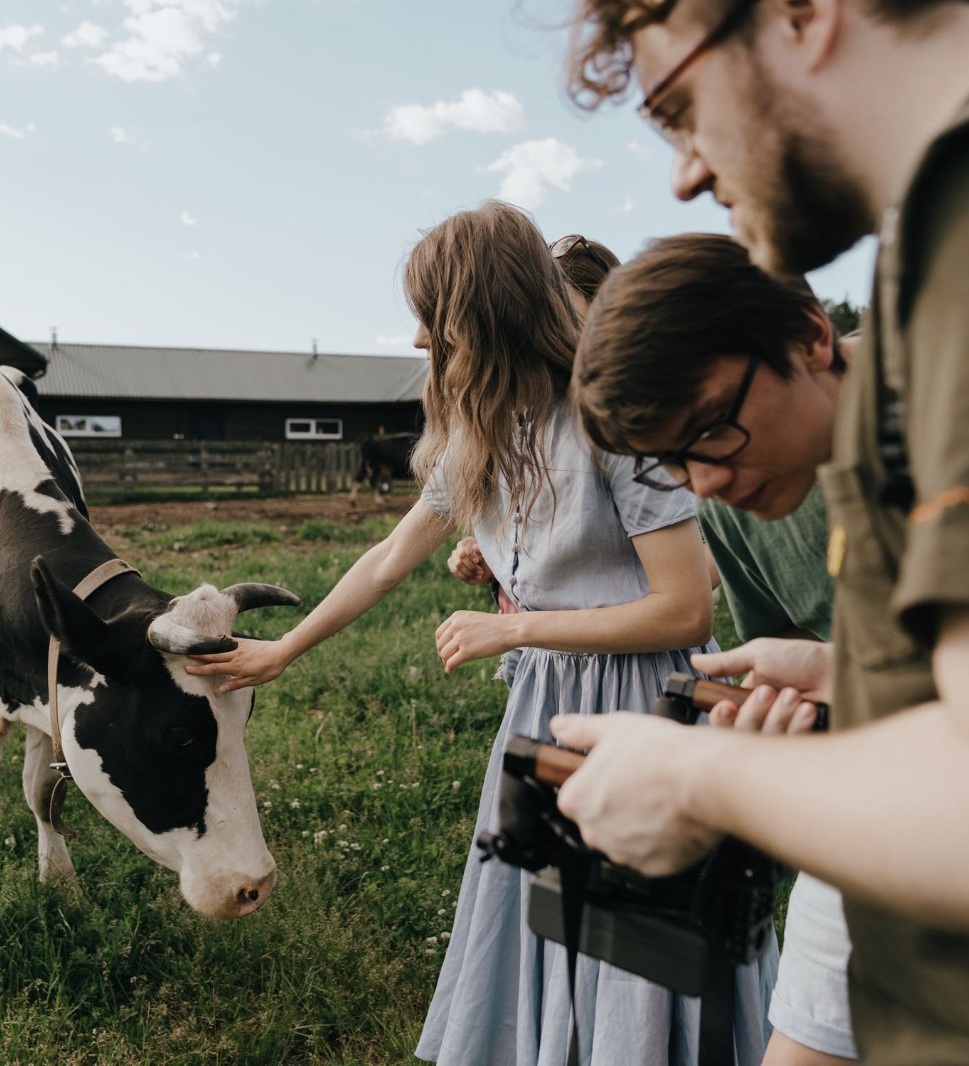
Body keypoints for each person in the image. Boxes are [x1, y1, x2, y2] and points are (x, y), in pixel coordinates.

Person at [554, 1, 969, 1063]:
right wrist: (855, 672)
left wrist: (696, 779)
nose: (685, 174)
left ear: (800, 13)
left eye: (677, 107)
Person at [185, 200, 776, 1064]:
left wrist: (515, 629)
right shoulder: (481, 434)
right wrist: (285, 649)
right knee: (551, 922)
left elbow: (685, 611)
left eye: (431, 318)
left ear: (479, 315)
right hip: (545, 709)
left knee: (638, 945)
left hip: (643, 710)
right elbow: (388, 557)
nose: (420, 343)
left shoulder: (616, 421)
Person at [577, 232, 857, 1065]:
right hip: (876, 821)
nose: (703, 483)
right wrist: (821, 688)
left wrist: (709, 784)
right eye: (669, 462)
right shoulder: (736, 495)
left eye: (710, 431)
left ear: (810, 337)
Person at [448, 232, 623, 688]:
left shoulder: (621, 426)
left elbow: (694, 581)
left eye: (573, 323)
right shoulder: (511, 423)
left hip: (612, 664)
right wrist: (483, 547)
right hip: (528, 652)